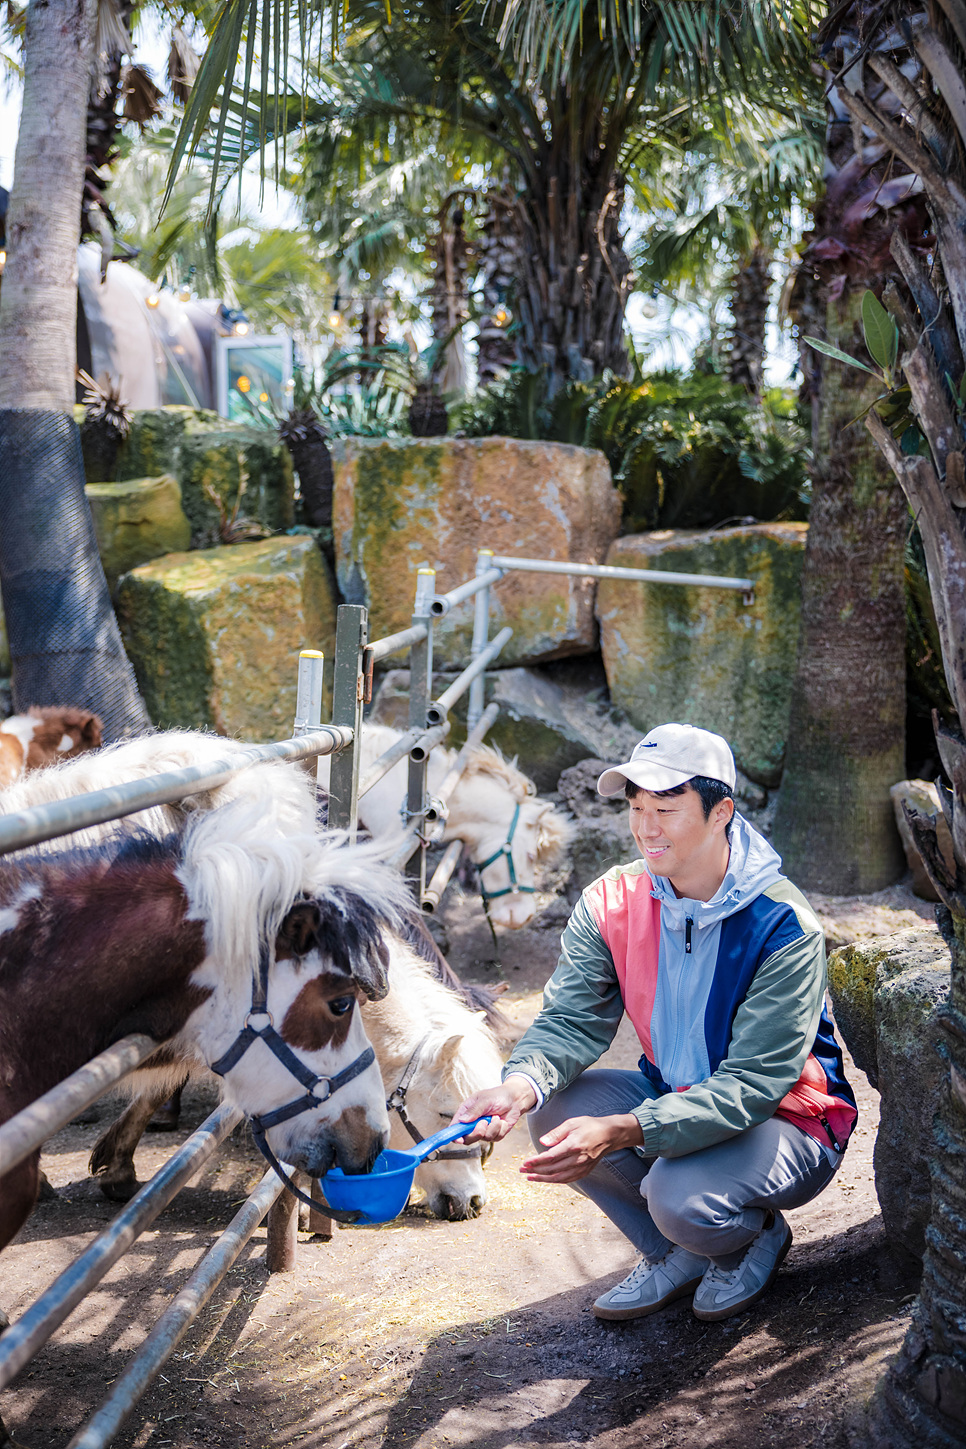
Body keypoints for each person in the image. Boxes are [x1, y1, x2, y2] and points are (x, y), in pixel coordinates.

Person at [454, 722, 856, 1323]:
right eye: (637, 807)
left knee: (679, 1198)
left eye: (666, 808)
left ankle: (750, 1239)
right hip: (677, 1095)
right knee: (553, 1110)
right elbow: (569, 1018)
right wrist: (517, 1086)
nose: (645, 827)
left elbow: (753, 1085)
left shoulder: (783, 924)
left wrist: (627, 1128)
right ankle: (677, 1254)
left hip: (789, 1120)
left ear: (721, 812)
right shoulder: (610, 901)